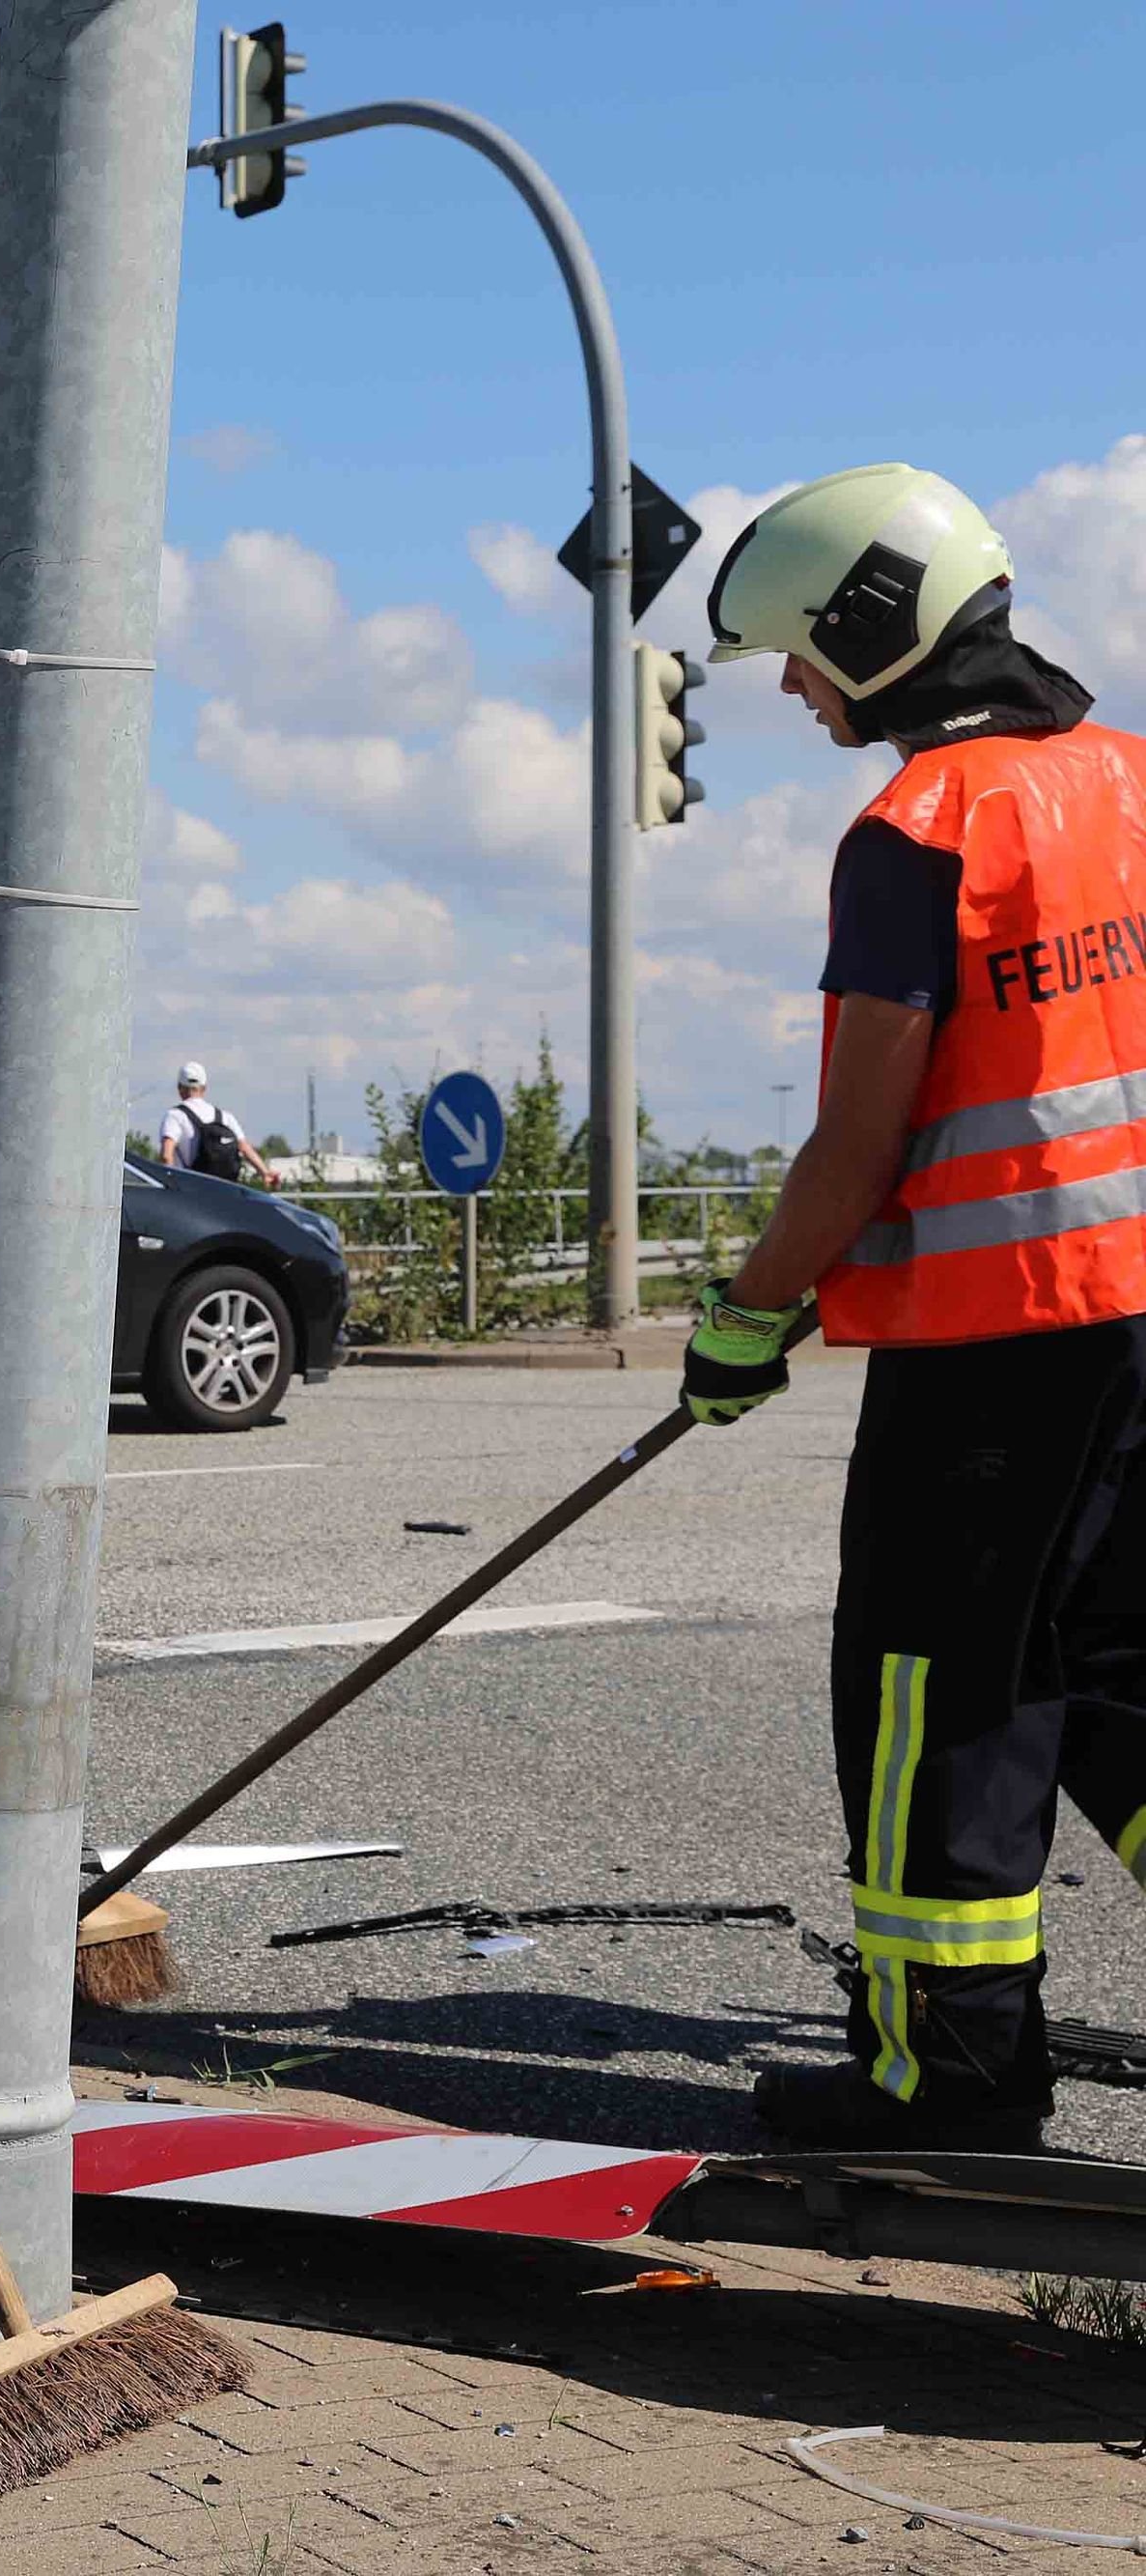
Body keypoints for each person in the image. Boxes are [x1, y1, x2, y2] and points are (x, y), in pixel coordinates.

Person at [687, 461, 1146, 2152]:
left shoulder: (920, 831)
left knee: (929, 1696)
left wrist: (746, 1313)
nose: (799, 693)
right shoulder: (1132, 782)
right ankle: (964, 2053)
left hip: (995, 1342)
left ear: (878, 631)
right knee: (1113, 1669)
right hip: (1141, 1333)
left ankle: (944, 2073)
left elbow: (861, 1138)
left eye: (806, 655)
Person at [157, 1062, 275, 1187]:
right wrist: (265, 1172)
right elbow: (244, 1148)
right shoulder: (225, 1117)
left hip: (190, 1191)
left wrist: (168, 1185)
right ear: (204, 1088)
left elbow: (166, 1156)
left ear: (180, 1087)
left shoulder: (175, 1116)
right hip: (223, 1192)